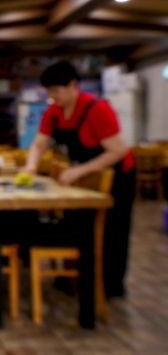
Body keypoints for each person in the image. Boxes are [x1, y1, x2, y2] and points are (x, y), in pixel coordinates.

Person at [24, 61, 136, 301]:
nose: (52, 97)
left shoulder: (97, 108)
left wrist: (79, 171)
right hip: (86, 175)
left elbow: (118, 151)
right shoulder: (54, 112)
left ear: (73, 85)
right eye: (49, 92)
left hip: (118, 175)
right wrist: (31, 166)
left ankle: (110, 285)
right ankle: (76, 278)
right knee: (80, 224)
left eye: (56, 90)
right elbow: (39, 144)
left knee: (112, 230)